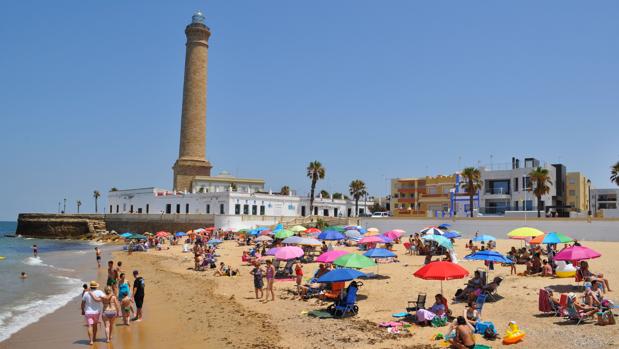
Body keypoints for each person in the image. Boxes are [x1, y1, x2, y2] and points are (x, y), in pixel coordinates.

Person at [81, 281, 105, 345]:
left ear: (90, 286)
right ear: (96, 287)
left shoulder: (86, 293)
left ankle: (91, 341)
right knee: (95, 325)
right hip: (97, 312)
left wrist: (82, 310)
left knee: (90, 326)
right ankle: (94, 338)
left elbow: (82, 303)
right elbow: (105, 298)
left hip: (88, 312)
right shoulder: (100, 292)